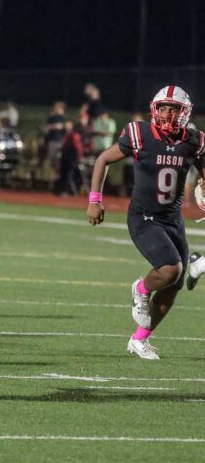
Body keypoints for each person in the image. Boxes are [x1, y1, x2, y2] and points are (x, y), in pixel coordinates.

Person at [87, 85, 204, 360]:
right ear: (154, 110)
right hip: (144, 217)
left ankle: (139, 340)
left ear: (185, 113)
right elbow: (103, 159)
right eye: (163, 108)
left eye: (174, 110)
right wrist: (94, 199)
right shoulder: (139, 134)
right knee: (170, 269)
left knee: (174, 286)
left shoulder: (194, 141)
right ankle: (140, 289)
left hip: (173, 219)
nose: (168, 115)